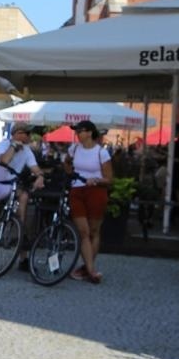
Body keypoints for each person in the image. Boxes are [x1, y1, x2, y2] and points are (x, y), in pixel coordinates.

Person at [66, 120, 113, 284]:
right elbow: (66, 163)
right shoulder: (74, 149)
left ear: (89, 133)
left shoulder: (101, 153)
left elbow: (109, 179)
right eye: (76, 131)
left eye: (80, 131)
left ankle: (86, 268)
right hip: (77, 190)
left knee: (94, 230)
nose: (77, 134)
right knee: (83, 231)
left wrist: (97, 180)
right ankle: (92, 271)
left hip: (96, 191)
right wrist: (70, 173)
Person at [0, 121, 43, 226]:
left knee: (24, 196)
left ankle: (20, 229)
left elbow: (35, 168)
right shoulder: (2, 145)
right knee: (23, 195)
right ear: (18, 134)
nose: (29, 136)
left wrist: (40, 176)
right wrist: (13, 147)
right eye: (27, 133)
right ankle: (19, 226)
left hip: (11, 186)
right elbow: (4, 160)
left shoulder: (27, 150)